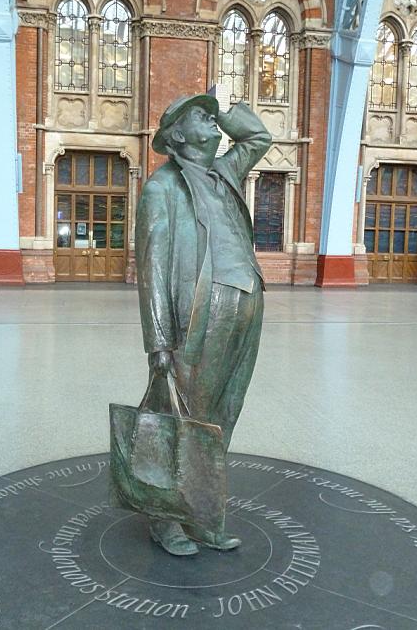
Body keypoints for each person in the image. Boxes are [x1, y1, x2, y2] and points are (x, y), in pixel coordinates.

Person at [135, 94, 272, 555]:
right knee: (184, 419)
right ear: (176, 134)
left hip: (246, 301)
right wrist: (158, 341)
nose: (211, 120)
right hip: (199, 312)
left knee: (222, 416)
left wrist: (228, 113)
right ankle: (165, 519)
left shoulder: (224, 171)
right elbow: (152, 266)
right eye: (201, 115)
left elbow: (258, 137)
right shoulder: (162, 188)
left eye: (213, 116)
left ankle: (201, 512)